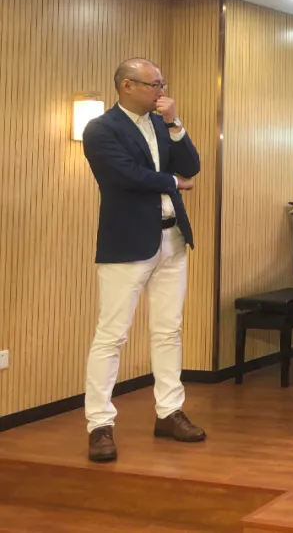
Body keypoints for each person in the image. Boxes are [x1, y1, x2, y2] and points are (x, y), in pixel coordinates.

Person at [81, 59, 206, 463]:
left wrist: (175, 123)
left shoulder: (160, 123)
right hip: (127, 242)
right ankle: (100, 424)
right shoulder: (101, 129)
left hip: (172, 238)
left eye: (162, 84)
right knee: (111, 335)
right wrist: (173, 182)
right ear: (126, 86)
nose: (160, 91)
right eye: (154, 85)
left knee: (169, 331)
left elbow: (192, 166)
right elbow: (124, 176)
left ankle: (169, 412)